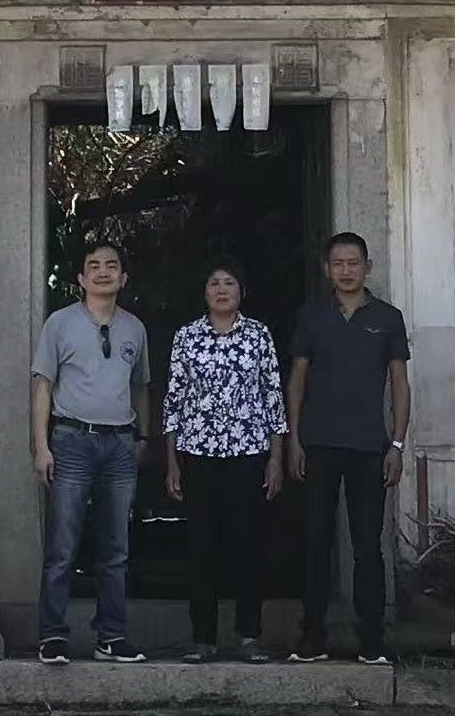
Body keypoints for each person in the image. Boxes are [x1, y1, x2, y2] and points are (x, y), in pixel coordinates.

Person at [286, 232, 411, 666]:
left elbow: (399, 383)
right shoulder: (312, 316)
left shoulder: (388, 318)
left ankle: (371, 638)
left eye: (353, 263)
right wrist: (294, 438)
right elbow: (297, 378)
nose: (345, 271)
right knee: (315, 541)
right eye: (337, 263)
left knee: (368, 546)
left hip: (369, 448)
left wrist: (397, 444)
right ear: (327, 269)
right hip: (318, 444)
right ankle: (312, 635)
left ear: (367, 267)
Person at [31, 242, 151, 665]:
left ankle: (111, 636)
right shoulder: (60, 323)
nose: (103, 272)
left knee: (116, 550)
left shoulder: (134, 328)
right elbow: (43, 386)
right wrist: (41, 446)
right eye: (94, 266)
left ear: (123, 278)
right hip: (72, 441)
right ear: (81, 279)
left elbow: (140, 386)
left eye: (111, 266)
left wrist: (142, 437)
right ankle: (52, 634)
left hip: (119, 445)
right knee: (62, 546)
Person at [163, 259, 286, 664]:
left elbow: (273, 397)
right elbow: (174, 402)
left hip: (249, 453)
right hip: (199, 453)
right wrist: (172, 461)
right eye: (213, 283)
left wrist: (275, 458)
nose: (221, 289)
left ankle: (249, 635)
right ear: (204, 292)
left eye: (229, 283)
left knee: (248, 545)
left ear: (242, 292)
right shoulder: (187, 337)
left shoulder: (258, 335)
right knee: (201, 547)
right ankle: (203, 637)